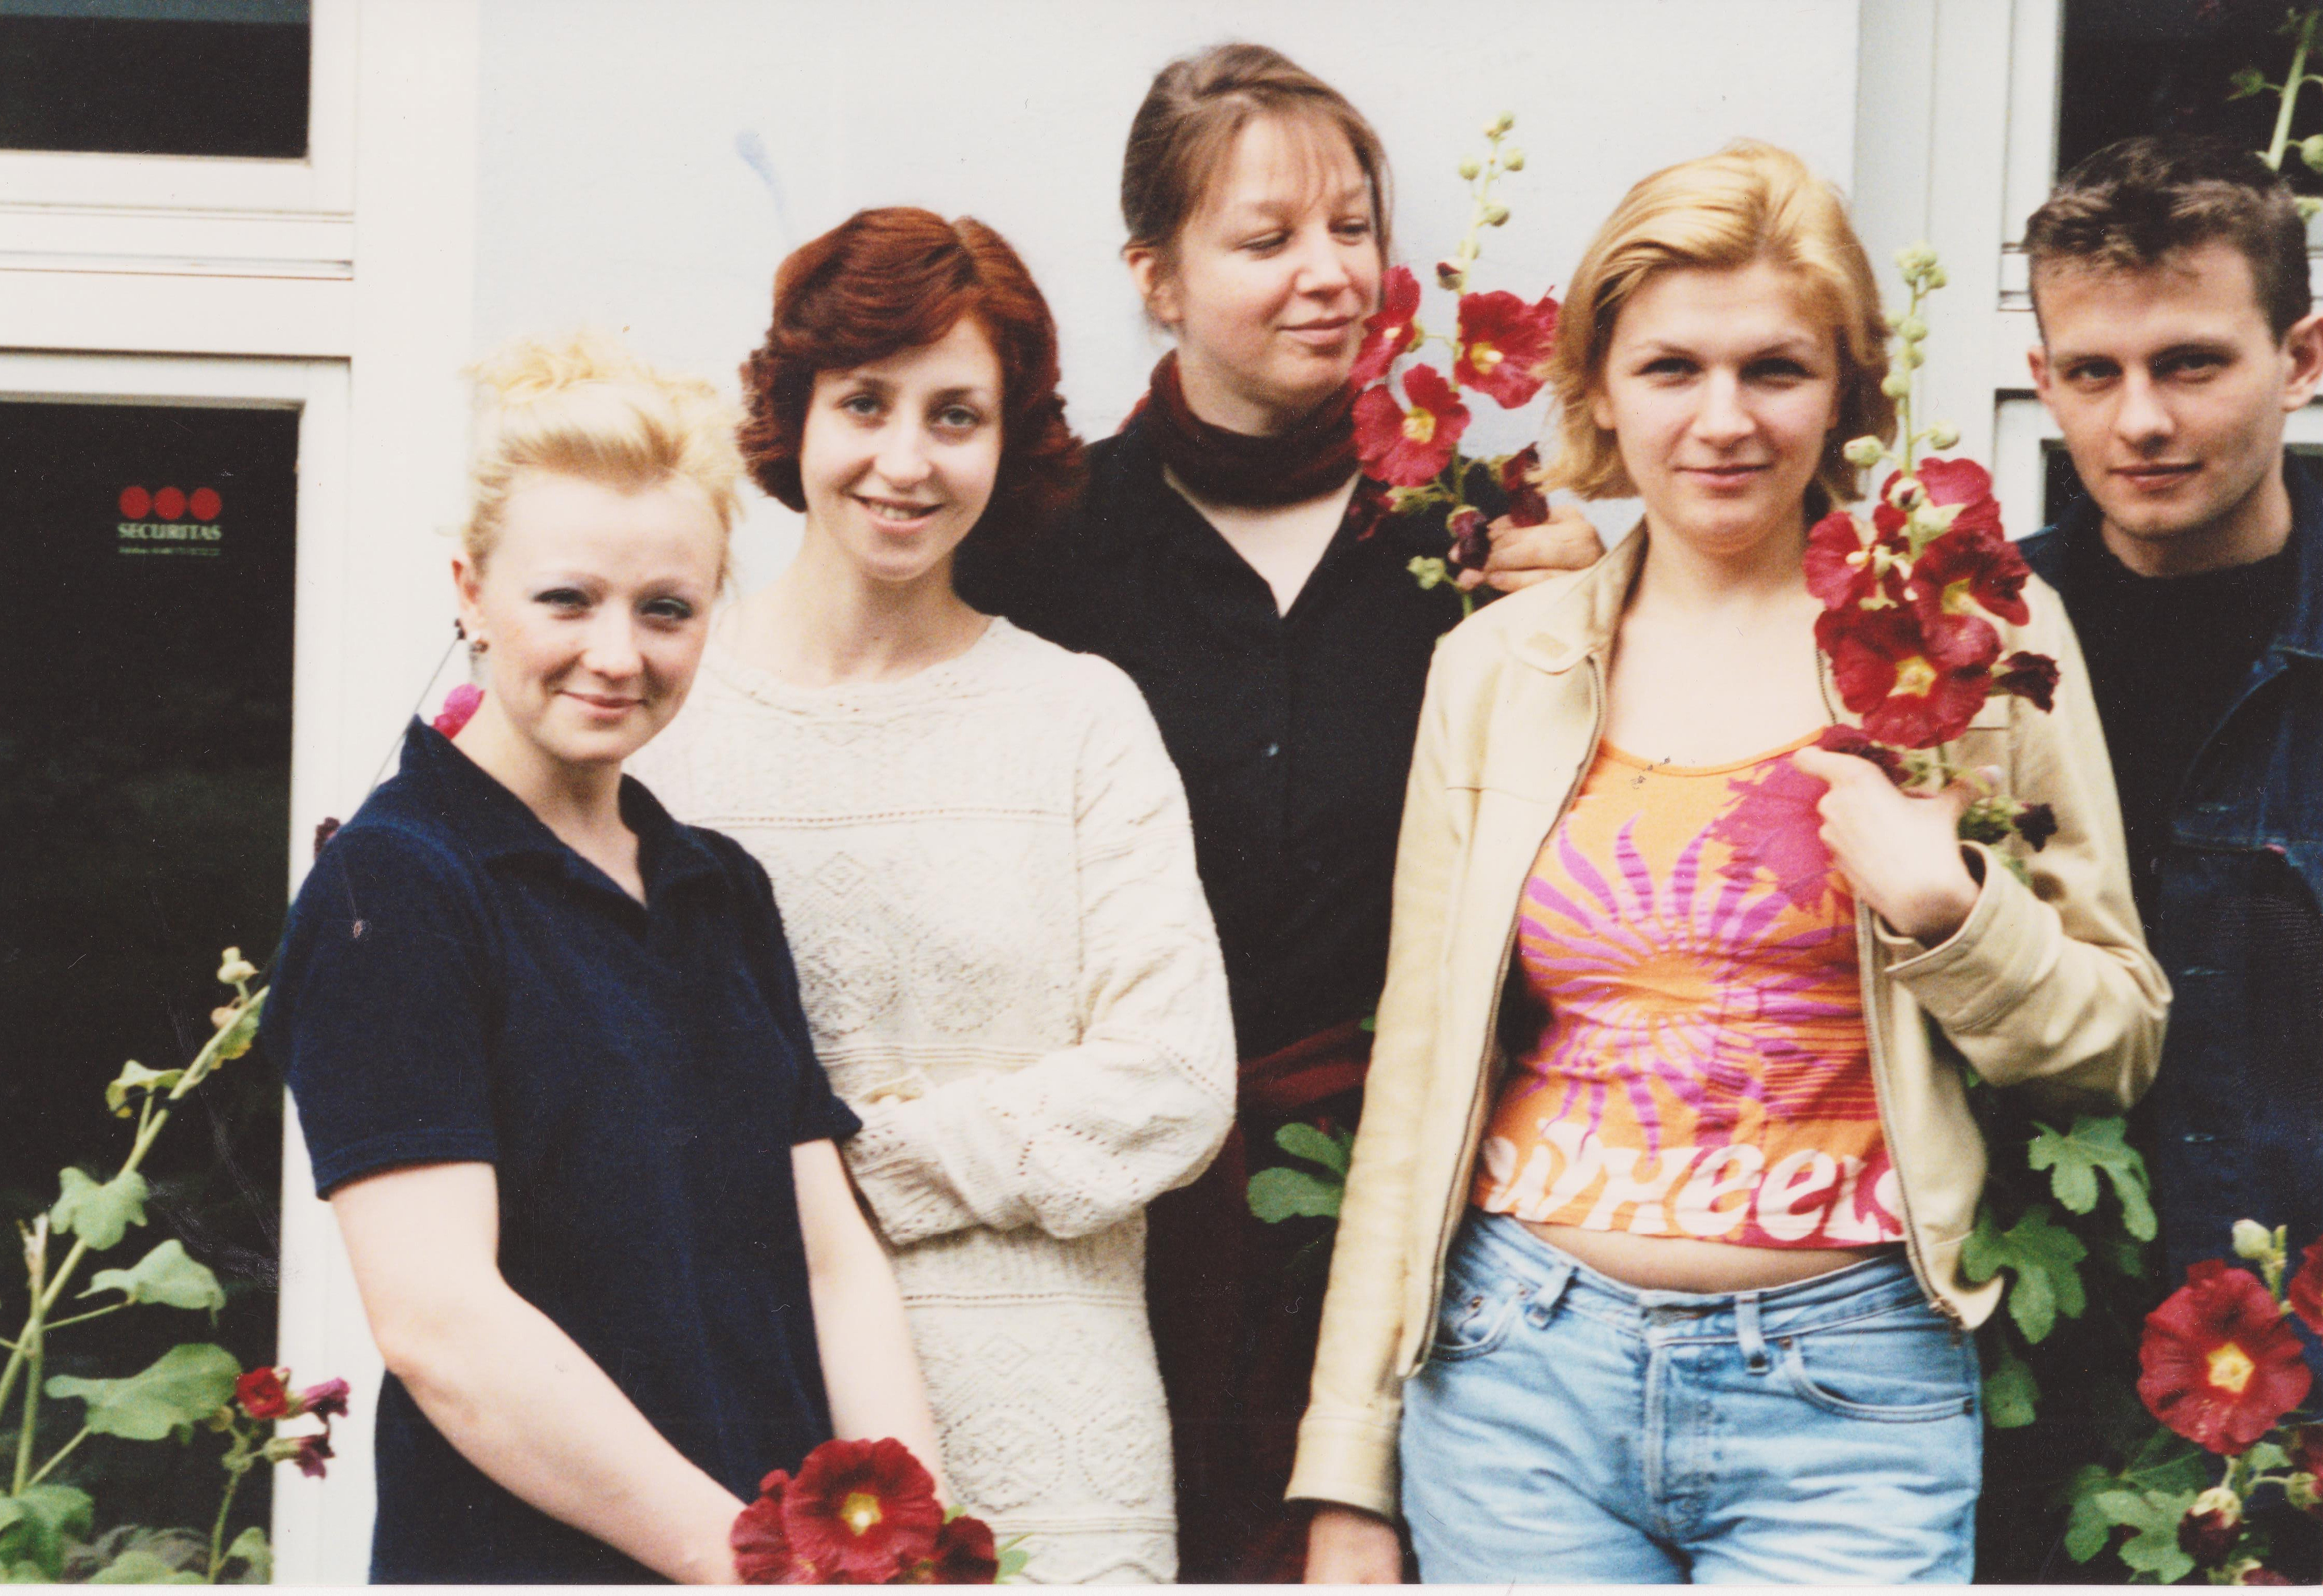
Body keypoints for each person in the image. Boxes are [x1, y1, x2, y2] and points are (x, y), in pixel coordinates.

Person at [1290, 142, 2168, 1584]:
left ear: (1848, 388)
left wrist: (1954, 915)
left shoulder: (1968, 644)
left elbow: (2117, 1039)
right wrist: (1350, 1467)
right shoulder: (1502, 667)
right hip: (1517, 1382)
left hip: (1851, 1392)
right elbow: (1419, 1080)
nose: (1723, 420)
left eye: (1775, 369)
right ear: (1597, 388)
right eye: (1669, 369)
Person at [953, 42, 1600, 1581]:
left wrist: (1594, 606)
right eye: (1267, 239)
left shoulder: (1479, 544)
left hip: (1419, 1222)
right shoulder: (1044, 543)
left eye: (1354, 229)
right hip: (1117, 1222)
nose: (1331, 274)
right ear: (1155, 278)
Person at [260, 333, 942, 1584]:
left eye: (666, 608)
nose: (619, 654)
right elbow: (443, 1326)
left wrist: (908, 1542)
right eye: (567, 601)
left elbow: (834, 1264)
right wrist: (750, 1566)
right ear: (472, 593)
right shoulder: (395, 886)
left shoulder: (718, 889)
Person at [631, 208, 1236, 1585]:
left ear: (1009, 440)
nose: (905, 461)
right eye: (865, 403)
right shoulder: (668, 716)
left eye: (955, 415)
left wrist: (858, 1165)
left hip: (1057, 1439)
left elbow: (1176, 1080)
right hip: (747, 1395)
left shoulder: (1080, 717)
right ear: (794, 411)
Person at [2018, 135, 2323, 1333]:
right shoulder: (1976, 649)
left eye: (2191, 364)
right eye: (2094, 373)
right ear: (2043, 380)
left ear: (2302, 359)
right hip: (2029, 1344)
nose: (2140, 420)